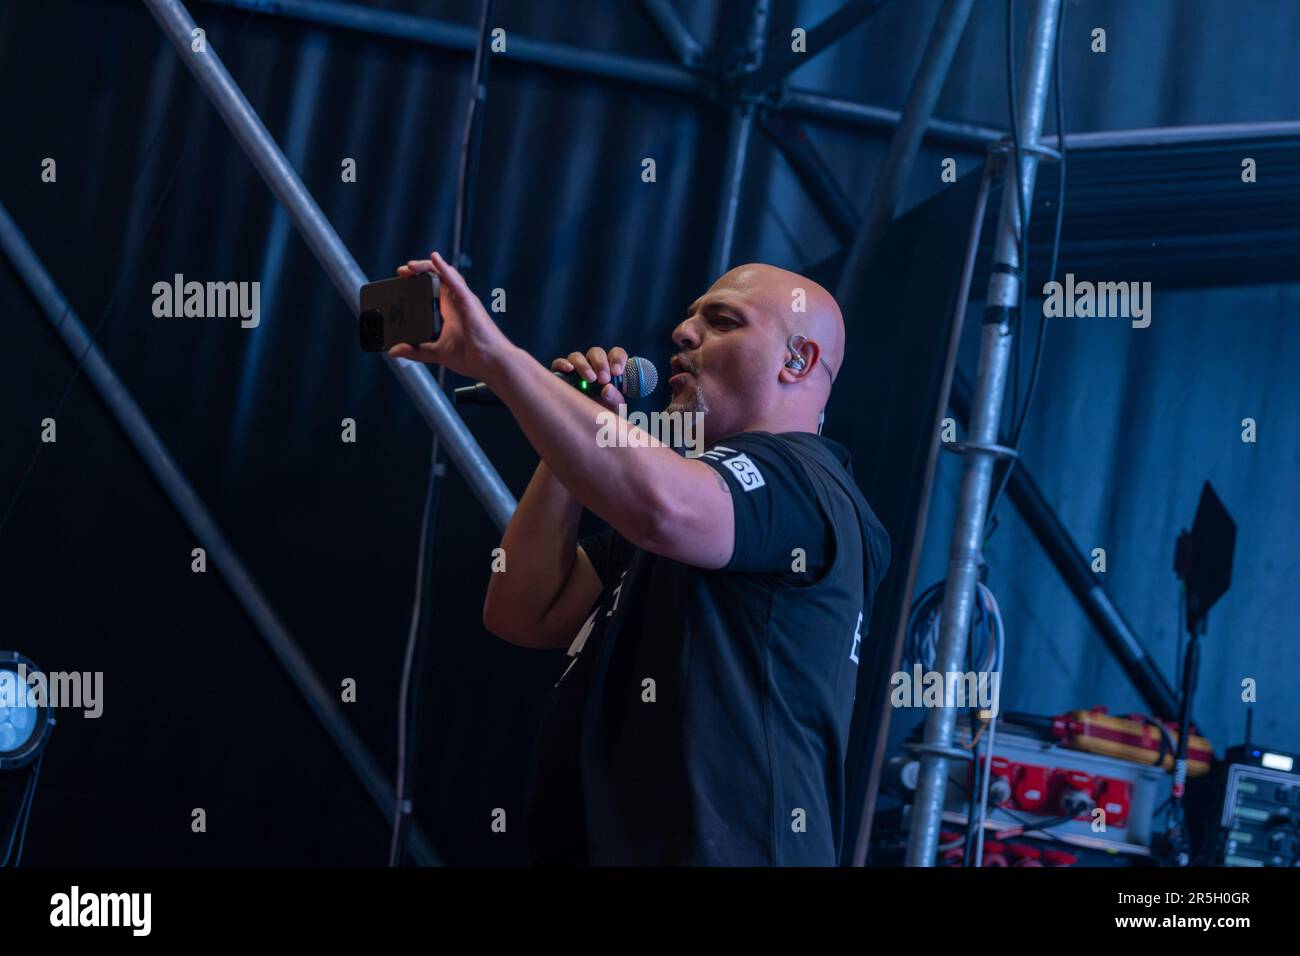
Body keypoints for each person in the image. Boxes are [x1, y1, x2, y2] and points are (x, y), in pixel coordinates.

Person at [391, 252, 889, 865]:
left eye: (724, 320)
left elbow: (663, 505)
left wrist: (502, 360)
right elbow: (523, 607)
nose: (683, 333)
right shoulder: (692, 506)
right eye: (689, 318)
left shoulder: (802, 479)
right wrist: (588, 428)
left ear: (797, 360)